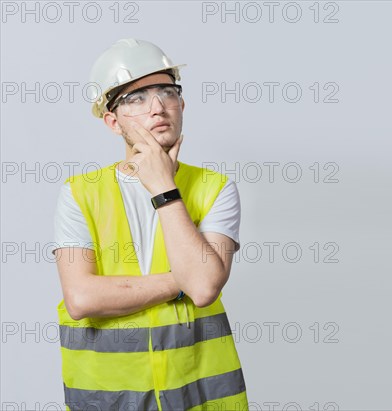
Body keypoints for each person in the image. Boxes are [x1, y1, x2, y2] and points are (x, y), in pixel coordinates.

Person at [52, 38, 248, 410]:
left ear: (182, 104)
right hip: (109, 397)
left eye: (166, 92)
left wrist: (163, 187)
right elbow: (82, 299)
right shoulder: (80, 193)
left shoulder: (215, 188)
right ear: (112, 121)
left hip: (200, 397)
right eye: (136, 98)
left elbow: (204, 290)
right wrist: (186, 279)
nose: (157, 107)